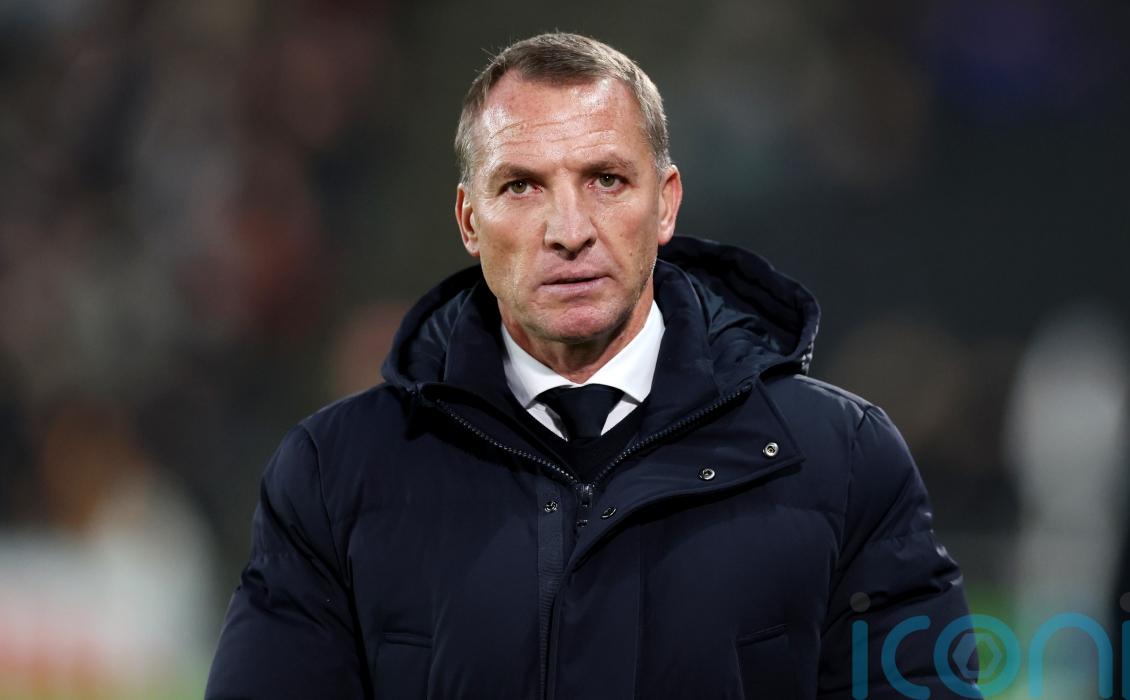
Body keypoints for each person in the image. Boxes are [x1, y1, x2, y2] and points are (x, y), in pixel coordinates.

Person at [206, 32, 978, 699]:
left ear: (666, 203)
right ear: (470, 221)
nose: (569, 230)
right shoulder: (334, 475)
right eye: (521, 186)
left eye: (606, 180)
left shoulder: (843, 461)